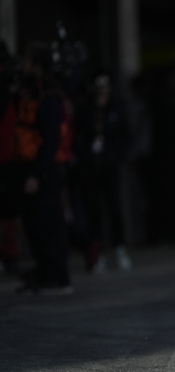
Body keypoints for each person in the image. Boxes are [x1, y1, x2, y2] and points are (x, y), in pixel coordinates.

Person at [14, 42, 72, 294]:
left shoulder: (49, 95)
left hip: (44, 170)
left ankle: (58, 278)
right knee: (33, 225)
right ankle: (44, 273)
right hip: (28, 166)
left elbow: (50, 140)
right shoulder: (30, 91)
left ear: (37, 65)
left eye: (25, 61)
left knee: (48, 225)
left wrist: (38, 173)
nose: (20, 66)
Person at [74, 71, 132, 272]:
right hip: (91, 167)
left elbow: (126, 137)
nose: (102, 89)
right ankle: (96, 252)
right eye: (99, 85)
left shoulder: (117, 108)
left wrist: (116, 156)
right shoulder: (86, 109)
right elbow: (78, 136)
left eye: (105, 85)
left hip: (110, 166)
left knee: (115, 208)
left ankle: (120, 249)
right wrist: (84, 157)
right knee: (93, 211)